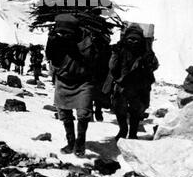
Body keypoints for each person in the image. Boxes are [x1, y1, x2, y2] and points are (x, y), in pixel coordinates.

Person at [46, 14, 94, 157]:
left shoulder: (86, 40)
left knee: (83, 113)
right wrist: (54, 42)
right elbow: (50, 56)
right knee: (64, 113)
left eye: (67, 33)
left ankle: (80, 142)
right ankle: (71, 142)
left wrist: (73, 46)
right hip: (63, 80)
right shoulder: (55, 39)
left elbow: (88, 58)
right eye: (61, 32)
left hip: (83, 81)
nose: (64, 35)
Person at [104, 24, 159, 141]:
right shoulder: (120, 50)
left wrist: (146, 61)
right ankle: (123, 130)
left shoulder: (146, 52)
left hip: (140, 86)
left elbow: (154, 65)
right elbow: (112, 67)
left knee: (136, 111)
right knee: (119, 109)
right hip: (122, 85)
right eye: (130, 39)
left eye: (136, 39)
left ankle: (133, 133)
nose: (133, 42)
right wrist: (115, 55)